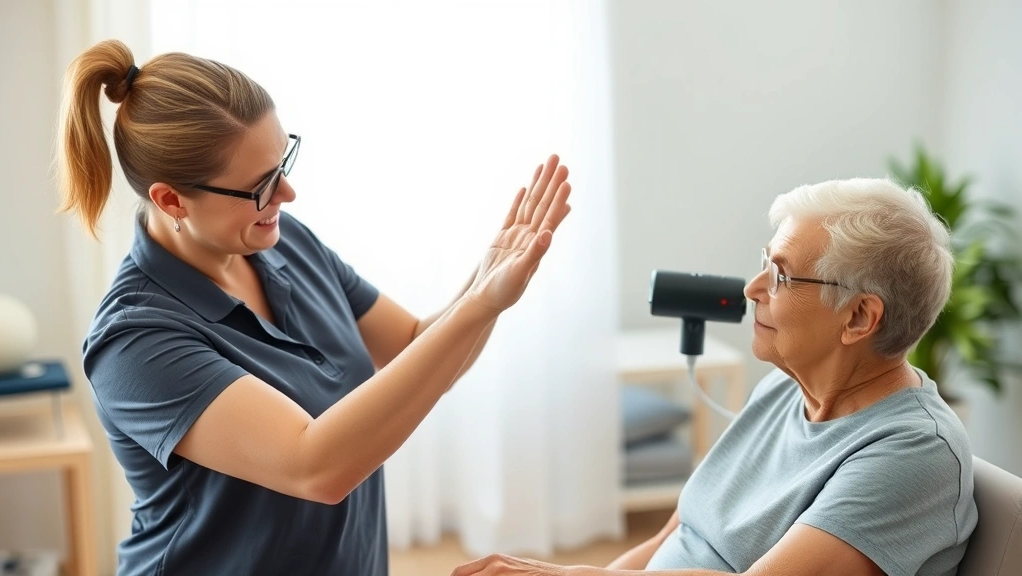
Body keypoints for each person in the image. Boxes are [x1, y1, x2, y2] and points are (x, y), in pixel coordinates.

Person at [57, 39, 571, 576]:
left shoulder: (283, 241)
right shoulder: (135, 341)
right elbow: (316, 466)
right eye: (260, 186)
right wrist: (479, 304)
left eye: (283, 161)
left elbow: (418, 353)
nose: (288, 193)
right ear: (171, 201)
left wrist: (486, 284)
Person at [453, 178, 978, 576]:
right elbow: (679, 532)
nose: (752, 288)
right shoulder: (783, 389)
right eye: (763, 263)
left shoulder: (914, 453)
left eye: (781, 275)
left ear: (860, 317)